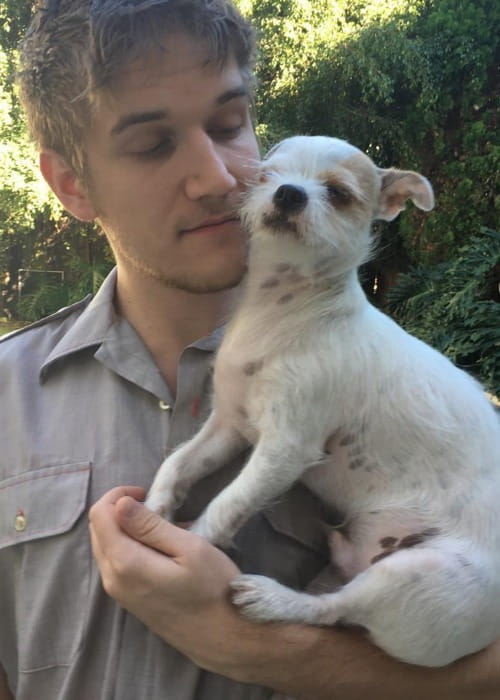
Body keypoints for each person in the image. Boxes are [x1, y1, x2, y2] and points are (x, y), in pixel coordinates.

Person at [0, 1, 499, 698]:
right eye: (151, 144)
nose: (218, 178)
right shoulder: (6, 398)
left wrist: (274, 653)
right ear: (70, 185)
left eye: (230, 125)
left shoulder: (410, 396)